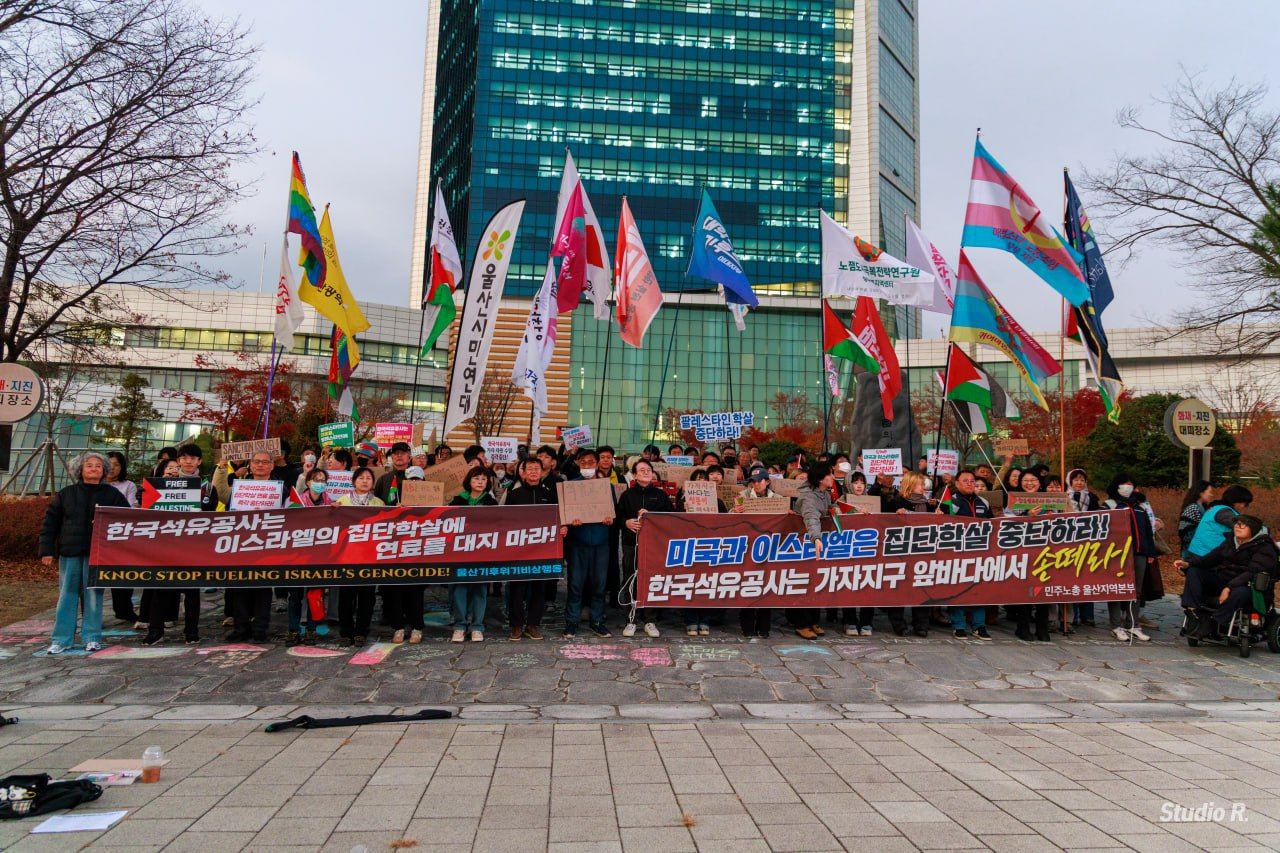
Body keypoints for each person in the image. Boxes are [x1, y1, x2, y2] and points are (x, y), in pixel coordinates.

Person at [40, 452, 130, 653]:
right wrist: (46, 550)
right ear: (80, 469)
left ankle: (92, 637)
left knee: (93, 596)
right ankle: (61, 639)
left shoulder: (112, 495)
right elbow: (50, 524)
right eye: (89, 465)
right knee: (67, 595)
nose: (94, 469)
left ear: (104, 471)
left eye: (98, 466)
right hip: (69, 552)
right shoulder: (66, 494)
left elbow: (126, 519)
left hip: (98, 554)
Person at [143, 444, 216, 646]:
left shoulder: (207, 487)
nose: (188, 462)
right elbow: (146, 511)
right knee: (161, 589)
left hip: (193, 545)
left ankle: (191, 631)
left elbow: (211, 517)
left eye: (193, 458)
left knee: (192, 591)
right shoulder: (159, 484)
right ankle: (155, 630)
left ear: (199, 462)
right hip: (165, 544)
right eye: (184, 458)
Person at [1177, 516, 1276, 640]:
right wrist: (1187, 564)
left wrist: (1229, 588)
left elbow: (1252, 572)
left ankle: (1213, 622)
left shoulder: (1264, 547)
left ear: (1253, 529)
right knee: (1195, 571)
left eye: (1242, 525)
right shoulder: (1230, 542)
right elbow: (1209, 559)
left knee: (1239, 593)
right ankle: (1194, 613)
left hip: (1249, 585)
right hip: (1224, 578)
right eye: (1236, 524)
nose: (1237, 527)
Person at [224, 450, 283, 641]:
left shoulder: (280, 488)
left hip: (268, 543)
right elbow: (227, 511)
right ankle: (241, 627)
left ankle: (260, 628)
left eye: (265, 462)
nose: (260, 465)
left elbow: (291, 512)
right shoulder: (240, 486)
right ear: (250, 464)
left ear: (272, 466)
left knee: (263, 587)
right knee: (239, 587)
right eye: (256, 462)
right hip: (241, 542)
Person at [615, 459, 674, 638]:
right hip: (631, 543)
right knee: (630, 579)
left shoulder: (660, 495)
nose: (646, 472)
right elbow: (617, 517)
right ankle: (630, 619)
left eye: (648, 469)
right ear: (634, 474)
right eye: (641, 470)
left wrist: (652, 516)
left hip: (654, 545)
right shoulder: (626, 495)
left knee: (651, 580)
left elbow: (670, 517)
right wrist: (626, 522)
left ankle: (650, 620)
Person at [503, 458, 559, 640]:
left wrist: (562, 526)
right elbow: (505, 519)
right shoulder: (514, 494)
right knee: (517, 588)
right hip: (518, 548)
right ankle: (516, 625)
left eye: (537, 469)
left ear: (542, 472)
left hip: (542, 548)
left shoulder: (550, 494)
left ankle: (533, 625)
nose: (534, 472)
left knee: (538, 587)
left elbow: (558, 516)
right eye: (530, 469)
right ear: (523, 472)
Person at [563, 448, 615, 638]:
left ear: (597, 464)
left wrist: (610, 519)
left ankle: (598, 621)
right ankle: (571, 622)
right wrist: (571, 521)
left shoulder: (605, 486)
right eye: (583, 462)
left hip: (601, 542)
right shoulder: (571, 486)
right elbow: (565, 516)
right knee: (576, 584)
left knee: (599, 584)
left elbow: (612, 511)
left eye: (591, 462)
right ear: (577, 463)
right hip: (578, 541)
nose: (587, 466)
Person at [937, 470, 994, 640]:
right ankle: (959, 625)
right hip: (957, 553)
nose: (970, 483)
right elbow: (939, 525)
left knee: (979, 589)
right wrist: (939, 515)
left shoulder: (983, 502)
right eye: (966, 481)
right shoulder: (950, 502)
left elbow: (992, 525)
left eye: (972, 481)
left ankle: (979, 626)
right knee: (958, 589)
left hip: (980, 552)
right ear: (957, 484)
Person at [1102, 474, 1157, 642]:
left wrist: (1150, 552)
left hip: (1139, 553)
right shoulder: (1109, 505)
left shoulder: (1139, 506)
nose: (1128, 486)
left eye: (1131, 484)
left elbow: (1147, 531)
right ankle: (1115, 625)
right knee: (1117, 589)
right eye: (1125, 483)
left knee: (1136, 591)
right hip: (1117, 554)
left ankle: (1133, 624)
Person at [448, 467, 497, 642]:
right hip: (460, 552)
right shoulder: (456, 501)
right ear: (469, 480)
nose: (480, 482)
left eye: (484, 479)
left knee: (480, 589)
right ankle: (460, 625)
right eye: (476, 478)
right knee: (460, 588)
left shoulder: (492, 503)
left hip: (483, 552)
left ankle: (477, 626)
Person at [334, 467, 383, 645]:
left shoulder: (378, 503)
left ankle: (362, 631)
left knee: (367, 596)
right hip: (347, 556)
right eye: (361, 478)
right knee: (346, 596)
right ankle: (346, 632)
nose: (364, 481)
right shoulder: (342, 501)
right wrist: (334, 511)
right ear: (354, 481)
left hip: (369, 556)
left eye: (368, 478)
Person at [285, 468, 332, 646]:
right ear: (308, 482)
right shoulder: (296, 502)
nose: (319, 483)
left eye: (322, 480)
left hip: (319, 556)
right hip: (297, 556)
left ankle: (312, 630)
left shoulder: (330, 503)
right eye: (316, 480)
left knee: (314, 593)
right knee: (295, 595)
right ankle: (293, 630)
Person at [791, 463, 835, 640]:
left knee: (816, 581)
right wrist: (816, 538)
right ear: (820, 479)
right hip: (803, 544)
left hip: (816, 543)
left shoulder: (824, 494)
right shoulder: (808, 497)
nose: (832, 477)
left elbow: (828, 510)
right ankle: (802, 623)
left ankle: (814, 620)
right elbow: (811, 518)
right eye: (830, 475)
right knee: (803, 582)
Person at [103, 451, 140, 626]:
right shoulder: (95, 484)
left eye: (116, 465)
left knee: (123, 575)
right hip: (99, 535)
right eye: (109, 464)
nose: (112, 468)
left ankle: (124, 610)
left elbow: (132, 507)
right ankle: (89, 613)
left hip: (120, 535)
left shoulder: (128, 485)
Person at [1186, 484, 1251, 559]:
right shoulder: (1224, 512)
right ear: (1236, 500)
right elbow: (1243, 527)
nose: (1245, 506)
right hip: (1205, 554)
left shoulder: (1217, 507)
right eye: (1245, 503)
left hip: (1199, 551)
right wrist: (1262, 530)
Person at [1178, 480, 1216, 557]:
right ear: (1201, 493)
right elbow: (1185, 532)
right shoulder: (1193, 508)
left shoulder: (1202, 508)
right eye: (1209, 492)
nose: (1211, 495)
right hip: (1193, 552)